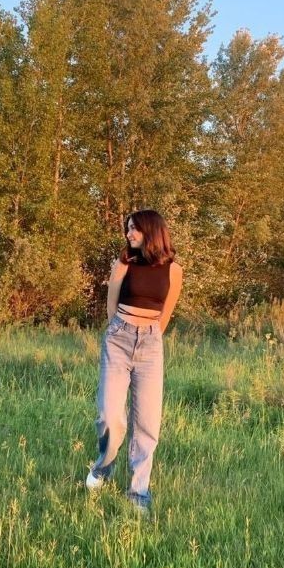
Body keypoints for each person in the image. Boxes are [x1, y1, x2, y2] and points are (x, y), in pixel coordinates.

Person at [86, 209, 183, 512]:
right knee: (109, 414)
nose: (128, 234)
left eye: (134, 229)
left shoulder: (174, 270)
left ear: (151, 231)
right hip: (119, 338)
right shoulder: (123, 264)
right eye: (127, 229)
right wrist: (122, 332)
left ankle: (138, 492)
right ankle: (104, 465)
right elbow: (111, 306)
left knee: (147, 423)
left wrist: (148, 336)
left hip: (151, 344)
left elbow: (166, 313)